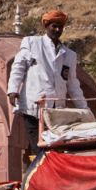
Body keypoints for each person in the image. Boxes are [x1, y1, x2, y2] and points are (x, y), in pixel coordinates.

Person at [7, 9, 87, 157]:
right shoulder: (32, 43)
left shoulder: (69, 55)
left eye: (60, 27)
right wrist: (13, 90)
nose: (57, 30)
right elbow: (18, 66)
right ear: (46, 26)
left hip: (57, 112)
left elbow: (73, 84)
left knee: (57, 151)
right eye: (54, 26)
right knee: (41, 150)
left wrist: (84, 109)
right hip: (34, 108)